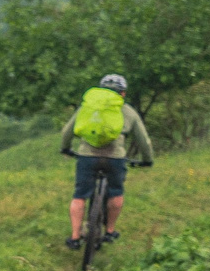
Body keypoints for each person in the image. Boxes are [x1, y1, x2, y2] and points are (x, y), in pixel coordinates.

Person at [57, 73, 155, 249]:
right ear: (123, 93)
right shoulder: (128, 111)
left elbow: (66, 132)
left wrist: (65, 148)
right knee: (116, 192)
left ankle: (74, 237)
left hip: (87, 156)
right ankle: (110, 231)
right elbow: (143, 140)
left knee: (80, 195)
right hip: (115, 158)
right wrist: (147, 160)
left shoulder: (87, 108)